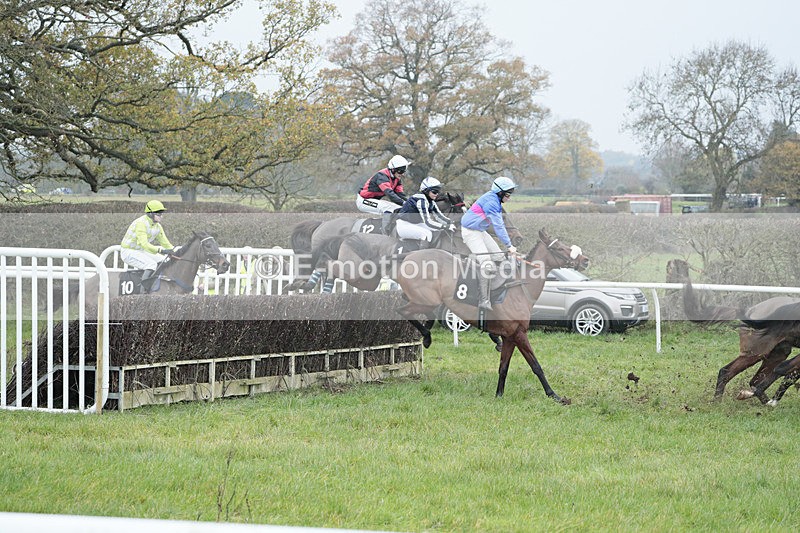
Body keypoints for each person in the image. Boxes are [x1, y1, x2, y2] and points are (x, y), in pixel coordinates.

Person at [460, 176, 518, 311]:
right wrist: (509, 246)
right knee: (487, 265)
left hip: (479, 230)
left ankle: (496, 288)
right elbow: (499, 227)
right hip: (471, 232)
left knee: (499, 258)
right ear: (500, 192)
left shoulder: (494, 199)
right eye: (508, 195)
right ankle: (484, 300)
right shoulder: (492, 203)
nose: (509, 198)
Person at [120, 200, 176, 291]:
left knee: (163, 261)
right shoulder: (141, 223)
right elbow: (145, 244)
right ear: (150, 214)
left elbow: (166, 243)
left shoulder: (157, 226)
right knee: (151, 264)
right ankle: (143, 291)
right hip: (128, 251)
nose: (161, 216)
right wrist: (161, 250)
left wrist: (175, 252)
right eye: (159, 214)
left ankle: (156, 285)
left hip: (140, 250)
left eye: (161, 214)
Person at [396, 177, 457, 248]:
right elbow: (428, 222)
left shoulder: (431, 202)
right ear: (426, 191)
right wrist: (445, 226)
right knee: (427, 234)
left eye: (438, 192)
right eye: (434, 192)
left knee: (439, 229)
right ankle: (420, 256)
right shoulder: (421, 201)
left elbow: (439, 216)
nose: (437, 194)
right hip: (404, 226)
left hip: (416, 224)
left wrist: (452, 222)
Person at [356, 154, 410, 233]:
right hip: (364, 201)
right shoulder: (382, 176)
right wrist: (404, 203)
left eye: (404, 171)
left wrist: (410, 203)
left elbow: (401, 195)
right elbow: (390, 194)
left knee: (398, 208)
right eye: (401, 171)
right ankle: (385, 234)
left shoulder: (397, 179)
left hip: (373, 200)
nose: (402, 174)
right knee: (388, 208)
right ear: (393, 169)